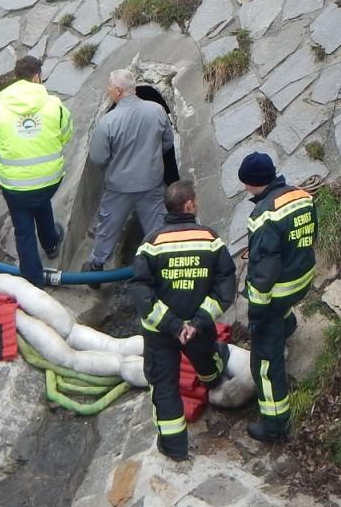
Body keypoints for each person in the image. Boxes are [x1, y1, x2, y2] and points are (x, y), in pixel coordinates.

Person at [130, 178, 236, 461]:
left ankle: (175, 450)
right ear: (189, 205)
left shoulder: (150, 244)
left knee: (163, 388)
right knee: (207, 360)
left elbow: (141, 290)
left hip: (160, 333)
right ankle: (213, 381)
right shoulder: (211, 240)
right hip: (198, 328)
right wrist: (198, 321)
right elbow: (225, 282)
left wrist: (173, 326)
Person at [239, 151, 316, 443]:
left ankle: (275, 424)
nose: (245, 188)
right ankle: (287, 324)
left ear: (253, 183)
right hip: (303, 278)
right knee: (281, 312)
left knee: (265, 362)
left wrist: (256, 312)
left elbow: (264, 269)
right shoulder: (301, 196)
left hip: (279, 289)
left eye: (245, 184)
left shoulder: (263, 216)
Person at [0, 55, 72, 286]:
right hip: (49, 179)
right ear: (37, 76)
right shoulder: (55, 105)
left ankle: (33, 278)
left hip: (14, 184)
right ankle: (51, 243)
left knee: (23, 229)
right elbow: (66, 134)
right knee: (41, 201)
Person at [82, 69, 172, 277]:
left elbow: (98, 157)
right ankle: (163, 267)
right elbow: (167, 143)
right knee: (157, 228)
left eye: (109, 87)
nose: (108, 90)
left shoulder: (108, 122)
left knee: (107, 229)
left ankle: (96, 268)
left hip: (119, 188)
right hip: (152, 183)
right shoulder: (157, 110)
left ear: (118, 90)